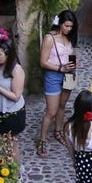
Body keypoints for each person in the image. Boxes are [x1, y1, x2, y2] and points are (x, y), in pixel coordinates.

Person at [37, 10, 78, 156]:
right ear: (60, 23)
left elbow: (71, 54)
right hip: (53, 76)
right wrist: (60, 68)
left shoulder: (69, 37)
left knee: (62, 106)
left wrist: (73, 65)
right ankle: (42, 140)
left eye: (71, 27)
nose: (69, 29)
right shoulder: (50, 38)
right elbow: (42, 62)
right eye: (66, 26)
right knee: (51, 111)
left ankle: (58, 131)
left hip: (68, 76)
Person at [0, 36, 26, 157]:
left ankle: (16, 171)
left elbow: (16, 96)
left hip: (12, 113)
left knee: (11, 144)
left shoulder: (16, 70)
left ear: (8, 54)